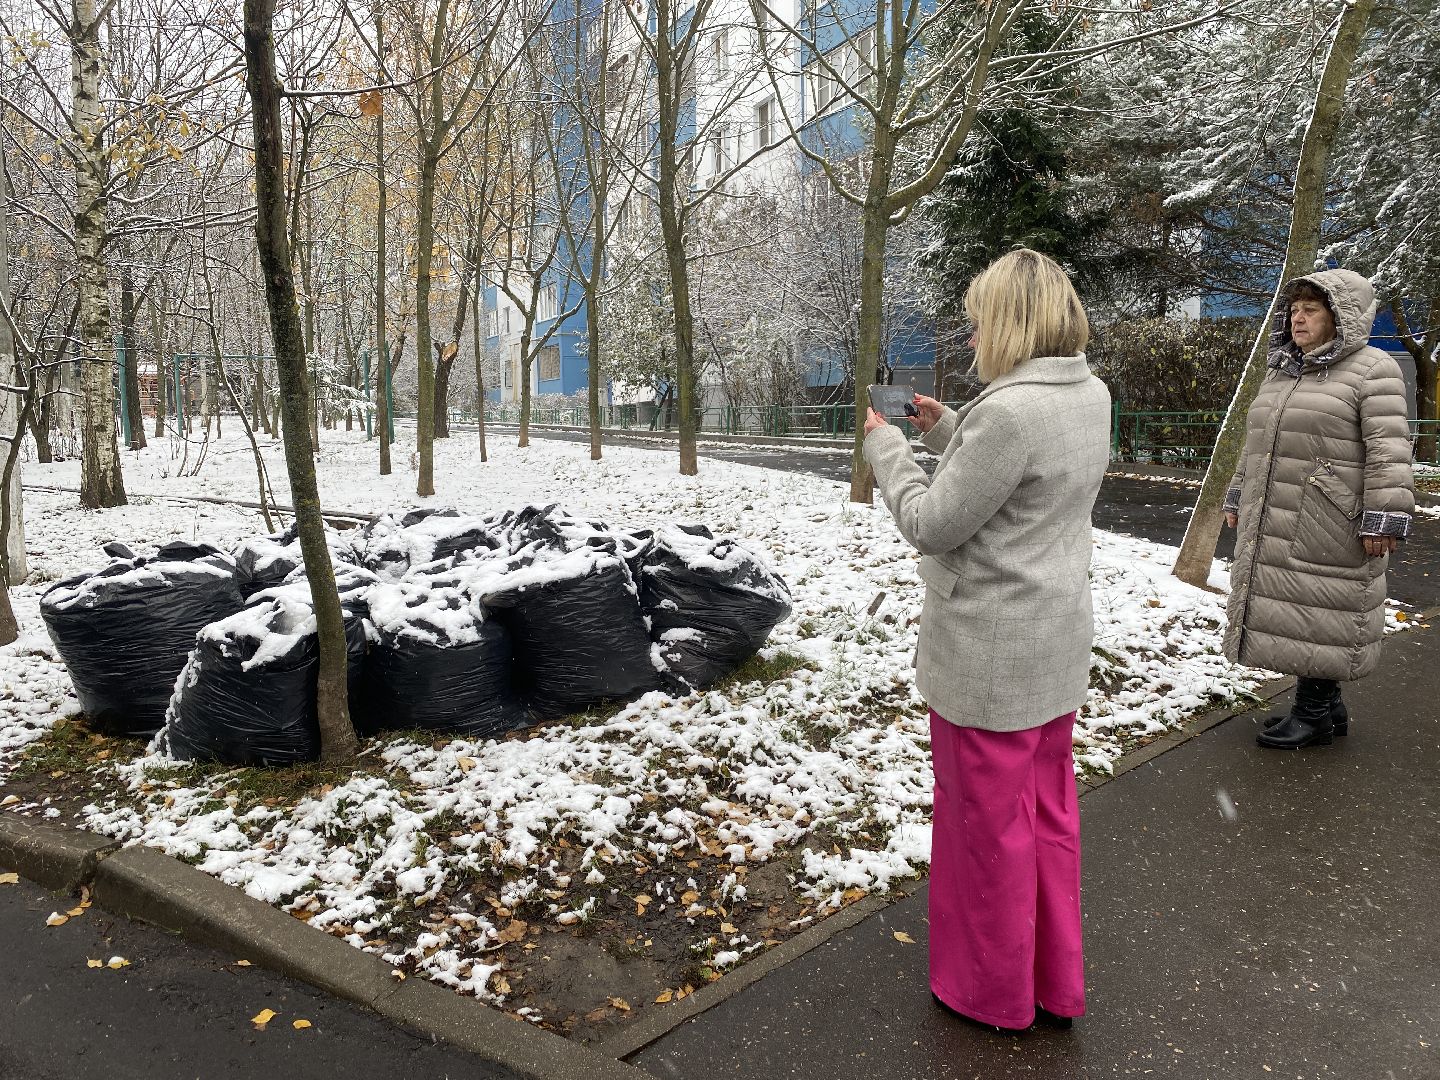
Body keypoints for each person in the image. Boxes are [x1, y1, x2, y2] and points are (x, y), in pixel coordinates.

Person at [862, 249, 1111, 1032]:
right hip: (1054, 647)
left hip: (991, 658)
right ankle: (1049, 981)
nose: (969, 334)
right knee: (1044, 821)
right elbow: (1023, 476)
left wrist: (889, 448)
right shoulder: (1088, 391)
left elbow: (933, 525)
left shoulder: (1008, 414)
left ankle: (988, 991)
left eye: (978, 319)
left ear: (1011, 322)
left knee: (984, 832)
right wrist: (951, 429)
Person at [1222, 269, 1414, 749]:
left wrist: (1384, 517)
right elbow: (1257, 443)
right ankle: (1326, 707)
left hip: (1333, 517)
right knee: (1304, 603)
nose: (1299, 317)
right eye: (1294, 309)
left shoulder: (1373, 368)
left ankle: (1312, 713)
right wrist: (1237, 493)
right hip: (1282, 510)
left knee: (1323, 608)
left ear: (1340, 317)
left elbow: (1389, 450)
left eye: (1312, 309)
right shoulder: (1283, 370)